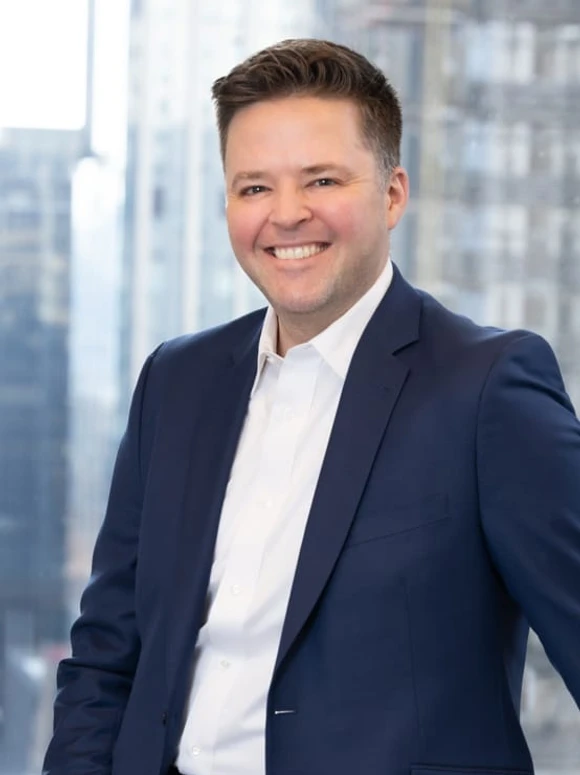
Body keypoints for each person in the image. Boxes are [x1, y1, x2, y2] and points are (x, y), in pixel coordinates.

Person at [43, 38, 580, 775]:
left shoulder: (489, 388)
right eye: (254, 187)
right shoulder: (176, 380)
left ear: (393, 194)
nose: (286, 215)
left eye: (321, 179)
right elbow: (107, 656)